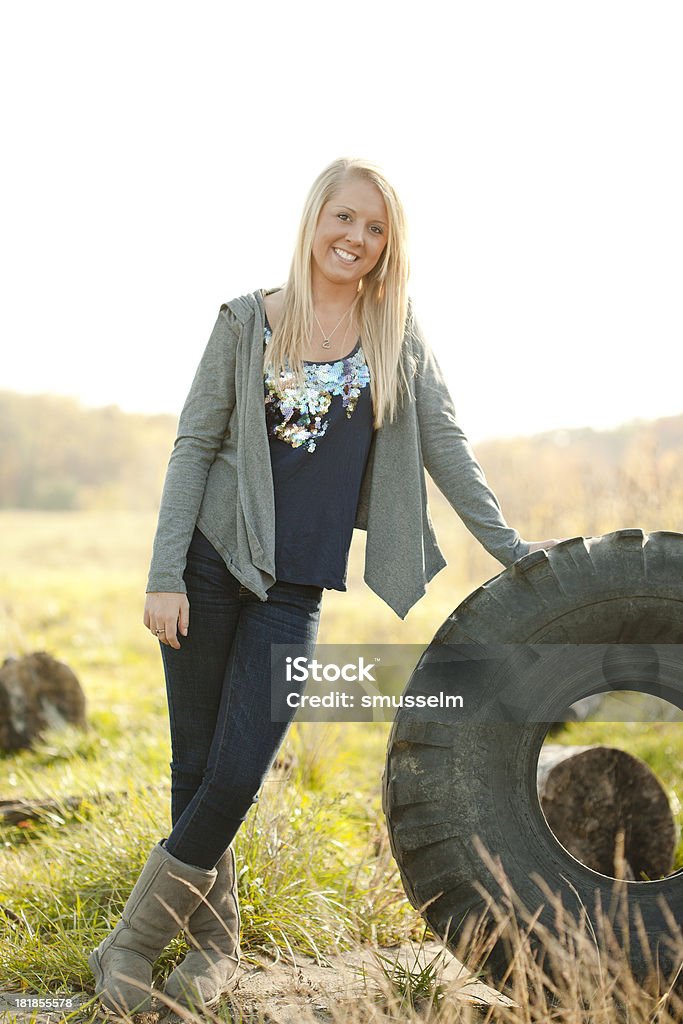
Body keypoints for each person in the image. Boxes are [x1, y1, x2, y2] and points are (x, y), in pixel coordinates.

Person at [88, 157, 560, 1015]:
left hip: (296, 586)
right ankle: (212, 949)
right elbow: (194, 447)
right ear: (316, 219)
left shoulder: (394, 331)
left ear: (388, 246)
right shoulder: (245, 321)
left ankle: (126, 948)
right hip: (207, 566)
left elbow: (445, 443)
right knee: (195, 767)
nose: (357, 238)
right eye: (345, 218)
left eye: (375, 228)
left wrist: (509, 545)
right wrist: (163, 576)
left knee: (238, 769)